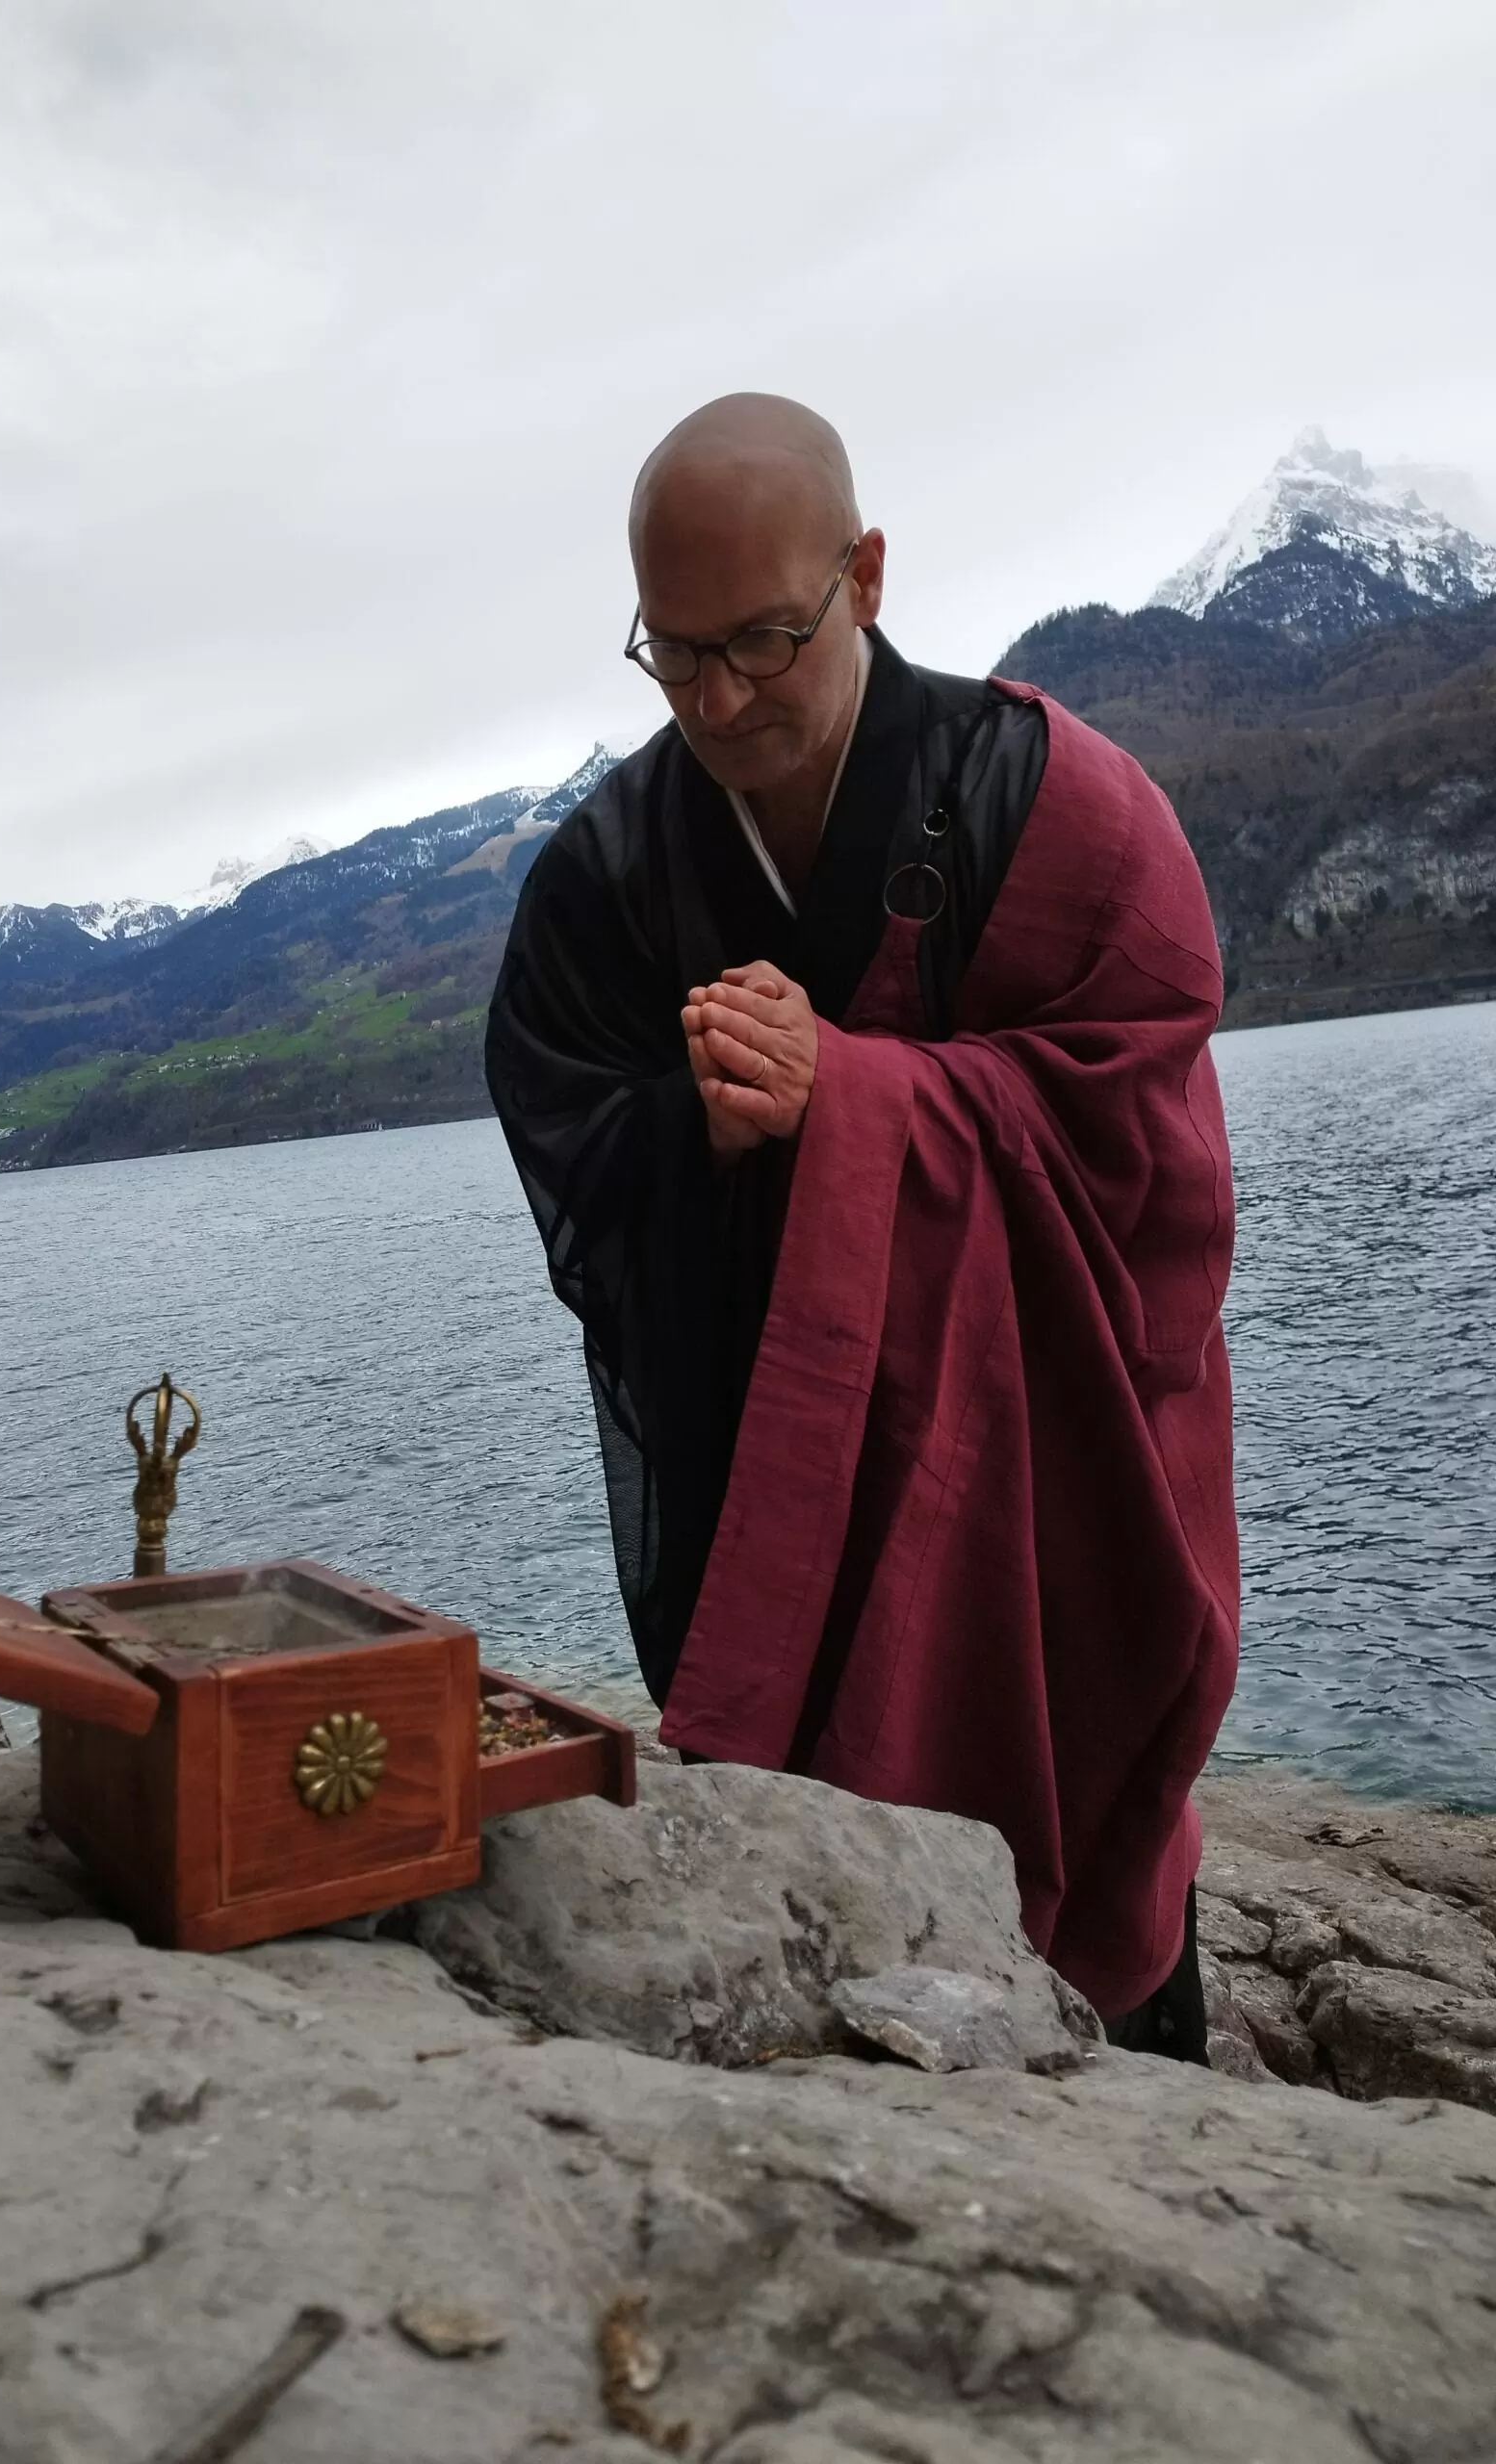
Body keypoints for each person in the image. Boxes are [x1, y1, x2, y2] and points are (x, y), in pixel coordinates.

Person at [484, 394, 1239, 2054]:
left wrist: (865, 1099)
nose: (717, 700)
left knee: (1086, 1812)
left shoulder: (1053, 806)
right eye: (670, 655)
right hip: (775, 1448)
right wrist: (718, 1119)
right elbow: (569, 1129)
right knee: (818, 1901)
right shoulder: (607, 879)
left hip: (1037, 1452)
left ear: (866, 577)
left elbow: (1149, 1126)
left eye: (762, 639)